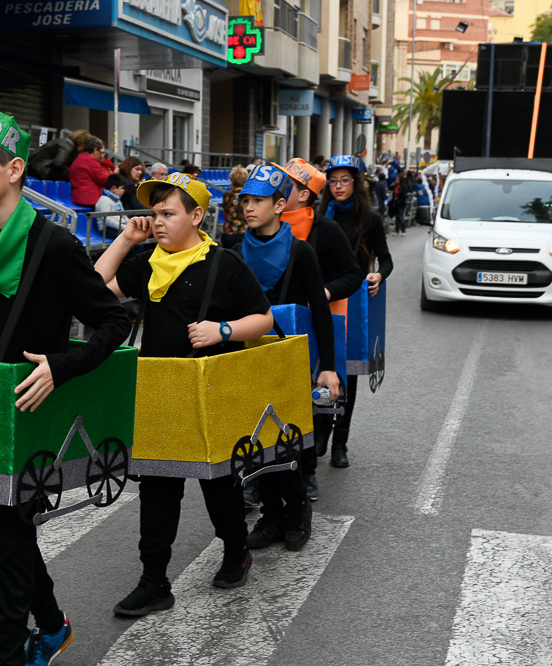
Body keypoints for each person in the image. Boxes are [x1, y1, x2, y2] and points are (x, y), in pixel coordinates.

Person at [0, 107, 131, 666]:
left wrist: (60, 365)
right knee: (9, 531)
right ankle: (51, 625)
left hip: (31, 413)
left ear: (14, 170)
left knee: (12, 535)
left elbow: (114, 322)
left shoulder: (56, 248)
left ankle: (9, 655)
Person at [94, 173, 274, 616]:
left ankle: (236, 550)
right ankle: (154, 580)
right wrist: (124, 240)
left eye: (168, 213)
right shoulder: (147, 262)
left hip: (210, 391)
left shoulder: (224, 264)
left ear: (196, 216)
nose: (157, 222)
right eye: (154, 213)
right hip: (159, 390)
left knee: (217, 482)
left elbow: (264, 320)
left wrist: (223, 330)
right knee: (157, 490)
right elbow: (95, 289)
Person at [239, 165, 340, 551]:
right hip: (248, 359)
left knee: (286, 440)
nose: (249, 208)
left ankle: (297, 507)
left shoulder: (302, 251)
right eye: (244, 200)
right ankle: (270, 513)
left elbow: (319, 310)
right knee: (254, 439)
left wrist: (327, 368)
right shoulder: (234, 249)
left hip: (292, 360)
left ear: (280, 205)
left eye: (258, 201)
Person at [274, 157, 363, 500]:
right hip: (267, 325)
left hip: (311, 327)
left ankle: (306, 471)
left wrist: (324, 293)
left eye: (286, 184)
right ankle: (257, 476)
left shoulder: (325, 229)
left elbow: (352, 274)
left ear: (304, 195)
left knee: (305, 403)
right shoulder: (263, 225)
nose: (277, 189)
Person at [318, 153, 394, 470]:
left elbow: (386, 260)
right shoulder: (319, 215)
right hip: (323, 299)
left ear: (358, 183)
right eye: (333, 180)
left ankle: (340, 443)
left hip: (354, 301)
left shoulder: (371, 220)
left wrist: (378, 274)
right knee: (321, 366)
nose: (338, 186)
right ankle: (321, 432)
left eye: (345, 180)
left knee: (349, 372)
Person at [68, 135, 107, 207]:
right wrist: (115, 174)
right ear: (95, 150)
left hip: (78, 197)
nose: (100, 155)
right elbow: (102, 179)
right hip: (89, 199)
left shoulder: (79, 158)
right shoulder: (90, 160)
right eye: (100, 152)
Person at [221, 165, 249, 248]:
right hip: (244, 232)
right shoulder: (248, 195)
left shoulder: (227, 195)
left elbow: (225, 212)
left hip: (228, 232)